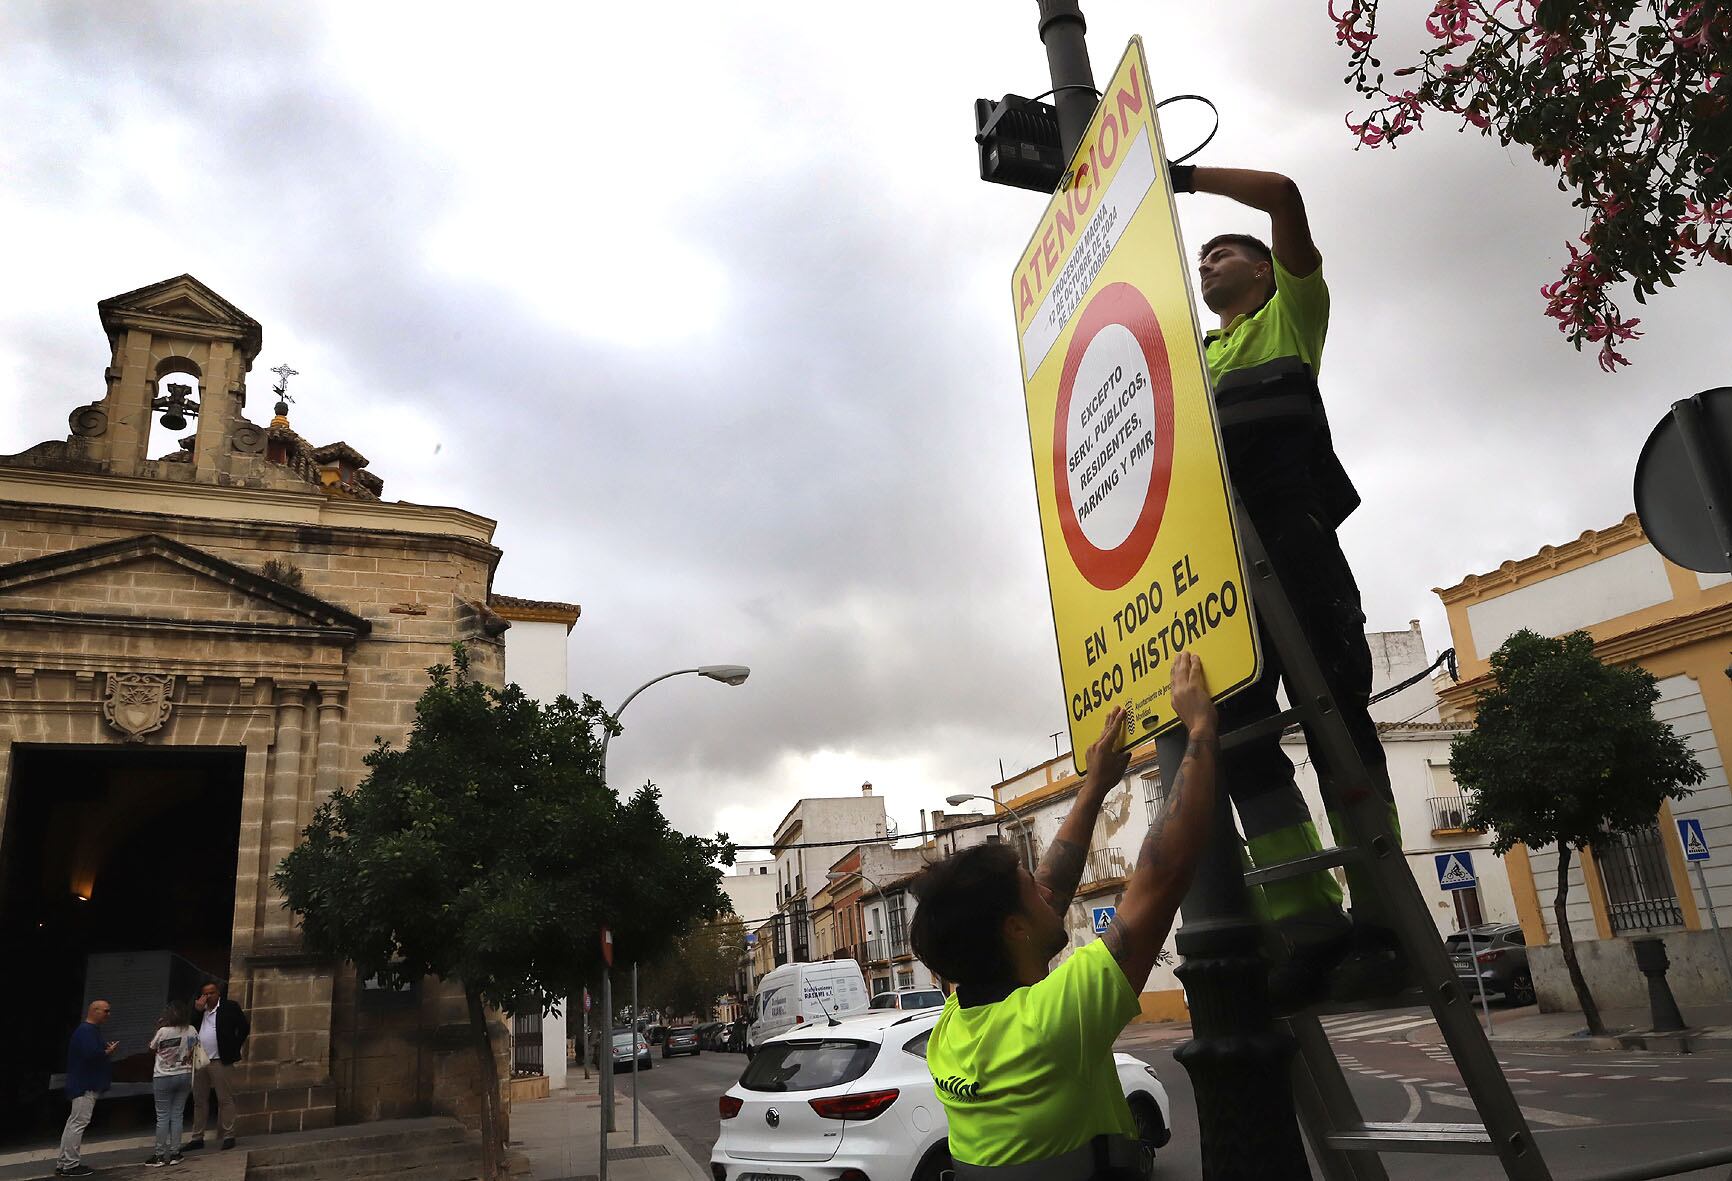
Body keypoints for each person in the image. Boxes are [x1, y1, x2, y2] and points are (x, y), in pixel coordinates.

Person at [1169, 162, 1400, 1005]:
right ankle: (1307, 919)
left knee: (1339, 715)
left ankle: (1381, 913)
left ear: (1264, 269)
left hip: (1295, 543)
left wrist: (1179, 178)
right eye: (1197, 261)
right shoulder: (1195, 358)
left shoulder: (1293, 317)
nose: (1206, 265)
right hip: (1224, 567)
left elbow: (1285, 196)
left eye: (1222, 254)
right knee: (1239, 739)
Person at [908, 653, 1218, 1178]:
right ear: (1015, 928)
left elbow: (1048, 886)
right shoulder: (1052, 1021)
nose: (1046, 890)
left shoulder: (954, 1028)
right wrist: (1202, 730)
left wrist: (1093, 786)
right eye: (1029, 888)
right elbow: (1162, 875)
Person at [56, 999, 119, 1178]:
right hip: (85, 1085)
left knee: (73, 1123)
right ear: (95, 1011)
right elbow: (91, 1054)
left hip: (83, 1083)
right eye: (106, 1011)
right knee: (78, 1123)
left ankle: (64, 1162)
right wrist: (107, 1052)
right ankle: (70, 1164)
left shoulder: (88, 1031)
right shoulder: (86, 1031)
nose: (108, 1014)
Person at [187, 979, 249, 1151]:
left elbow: (243, 1027)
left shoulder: (229, 1007)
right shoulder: (199, 1011)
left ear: (218, 993)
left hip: (221, 1060)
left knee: (225, 1098)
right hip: (200, 1061)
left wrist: (234, 1046)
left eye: (212, 992)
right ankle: (197, 1137)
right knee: (199, 1099)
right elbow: (189, 1029)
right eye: (205, 993)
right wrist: (197, 1011)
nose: (208, 996)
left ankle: (229, 1135)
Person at [146, 1001, 198, 1167]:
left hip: (163, 1076)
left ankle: (159, 1155)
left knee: (162, 1116)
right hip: (185, 1074)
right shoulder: (191, 1029)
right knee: (177, 1115)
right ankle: (175, 1153)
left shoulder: (163, 1031)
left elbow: (151, 1047)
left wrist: (158, 1026)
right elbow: (196, 1047)